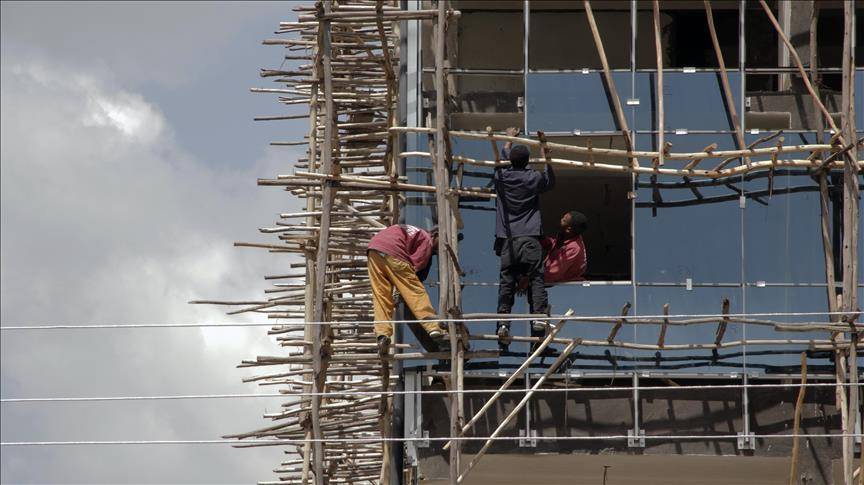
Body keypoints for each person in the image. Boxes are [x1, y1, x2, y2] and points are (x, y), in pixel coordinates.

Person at [493, 127, 556, 349]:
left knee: (506, 281)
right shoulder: (533, 177)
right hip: (530, 239)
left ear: (511, 160)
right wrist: (547, 156)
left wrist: (508, 141)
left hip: (508, 241)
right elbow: (550, 181)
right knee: (537, 278)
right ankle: (538, 317)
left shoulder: (502, 177)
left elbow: (501, 161)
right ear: (528, 161)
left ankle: (503, 322)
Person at [367, 224, 447, 356]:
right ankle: (433, 327)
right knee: (415, 291)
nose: (438, 251)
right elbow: (413, 270)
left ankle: (382, 335)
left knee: (381, 296)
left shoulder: (414, 232)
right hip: (393, 250)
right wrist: (400, 292)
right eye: (440, 245)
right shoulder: (426, 239)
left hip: (374, 250)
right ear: (436, 235)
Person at [519, 210, 589, 311]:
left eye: (564, 220)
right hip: (552, 283)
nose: (560, 220)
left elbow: (552, 273)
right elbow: (554, 246)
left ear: (569, 229)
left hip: (563, 289)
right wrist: (542, 239)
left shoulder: (574, 248)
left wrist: (528, 278)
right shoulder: (566, 236)